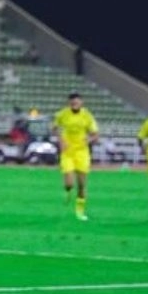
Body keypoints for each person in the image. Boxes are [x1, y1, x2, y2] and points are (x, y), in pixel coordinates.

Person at [51, 92, 98, 220]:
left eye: (77, 102)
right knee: (69, 183)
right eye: (72, 103)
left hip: (82, 152)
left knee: (82, 184)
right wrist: (61, 140)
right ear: (69, 103)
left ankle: (80, 211)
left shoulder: (87, 116)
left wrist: (88, 140)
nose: (74, 104)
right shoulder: (62, 114)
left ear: (81, 103)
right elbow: (54, 128)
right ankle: (68, 190)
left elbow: (95, 134)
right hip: (67, 152)